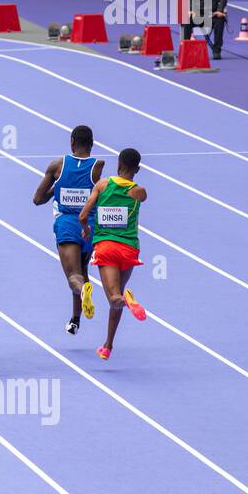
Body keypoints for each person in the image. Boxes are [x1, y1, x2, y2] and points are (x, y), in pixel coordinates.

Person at [32, 125, 104, 336]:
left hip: (67, 227)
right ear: (92, 144)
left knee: (74, 276)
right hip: (89, 228)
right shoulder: (97, 168)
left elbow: (37, 199)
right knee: (82, 270)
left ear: (72, 141)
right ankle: (75, 320)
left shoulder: (58, 166)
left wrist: (58, 188)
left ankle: (84, 292)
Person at [79, 149, 148, 361]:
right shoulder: (139, 191)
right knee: (116, 296)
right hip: (129, 250)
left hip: (106, 248)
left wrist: (87, 229)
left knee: (114, 298)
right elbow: (138, 197)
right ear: (137, 169)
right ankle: (108, 345)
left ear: (118, 164)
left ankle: (127, 301)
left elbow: (83, 215)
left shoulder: (102, 185)